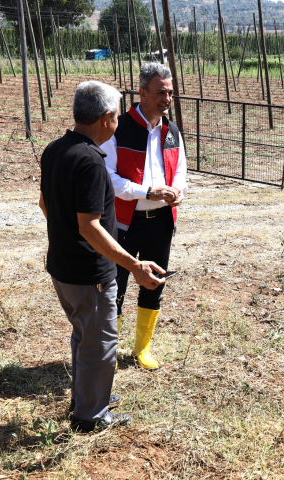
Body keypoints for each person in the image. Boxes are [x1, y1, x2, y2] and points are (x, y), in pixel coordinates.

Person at [39, 81, 165, 432]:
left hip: (62, 267)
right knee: (99, 342)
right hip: (88, 273)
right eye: (117, 117)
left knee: (84, 337)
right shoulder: (91, 161)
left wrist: (66, 235)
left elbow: (45, 204)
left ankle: (89, 399)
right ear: (107, 118)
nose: (119, 124)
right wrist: (135, 266)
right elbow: (91, 227)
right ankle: (90, 418)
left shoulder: (55, 149)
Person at [101, 63, 187, 370]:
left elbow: (180, 174)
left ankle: (142, 349)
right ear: (142, 93)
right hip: (125, 222)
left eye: (170, 93)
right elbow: (107, 177)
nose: (167, 99)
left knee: (155, 282)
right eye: (161, 92)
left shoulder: (172, 130)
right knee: (117, 284)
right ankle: (107, 352)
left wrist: (177, 192)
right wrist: (146, 192)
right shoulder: (119, 128)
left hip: (162, 221)